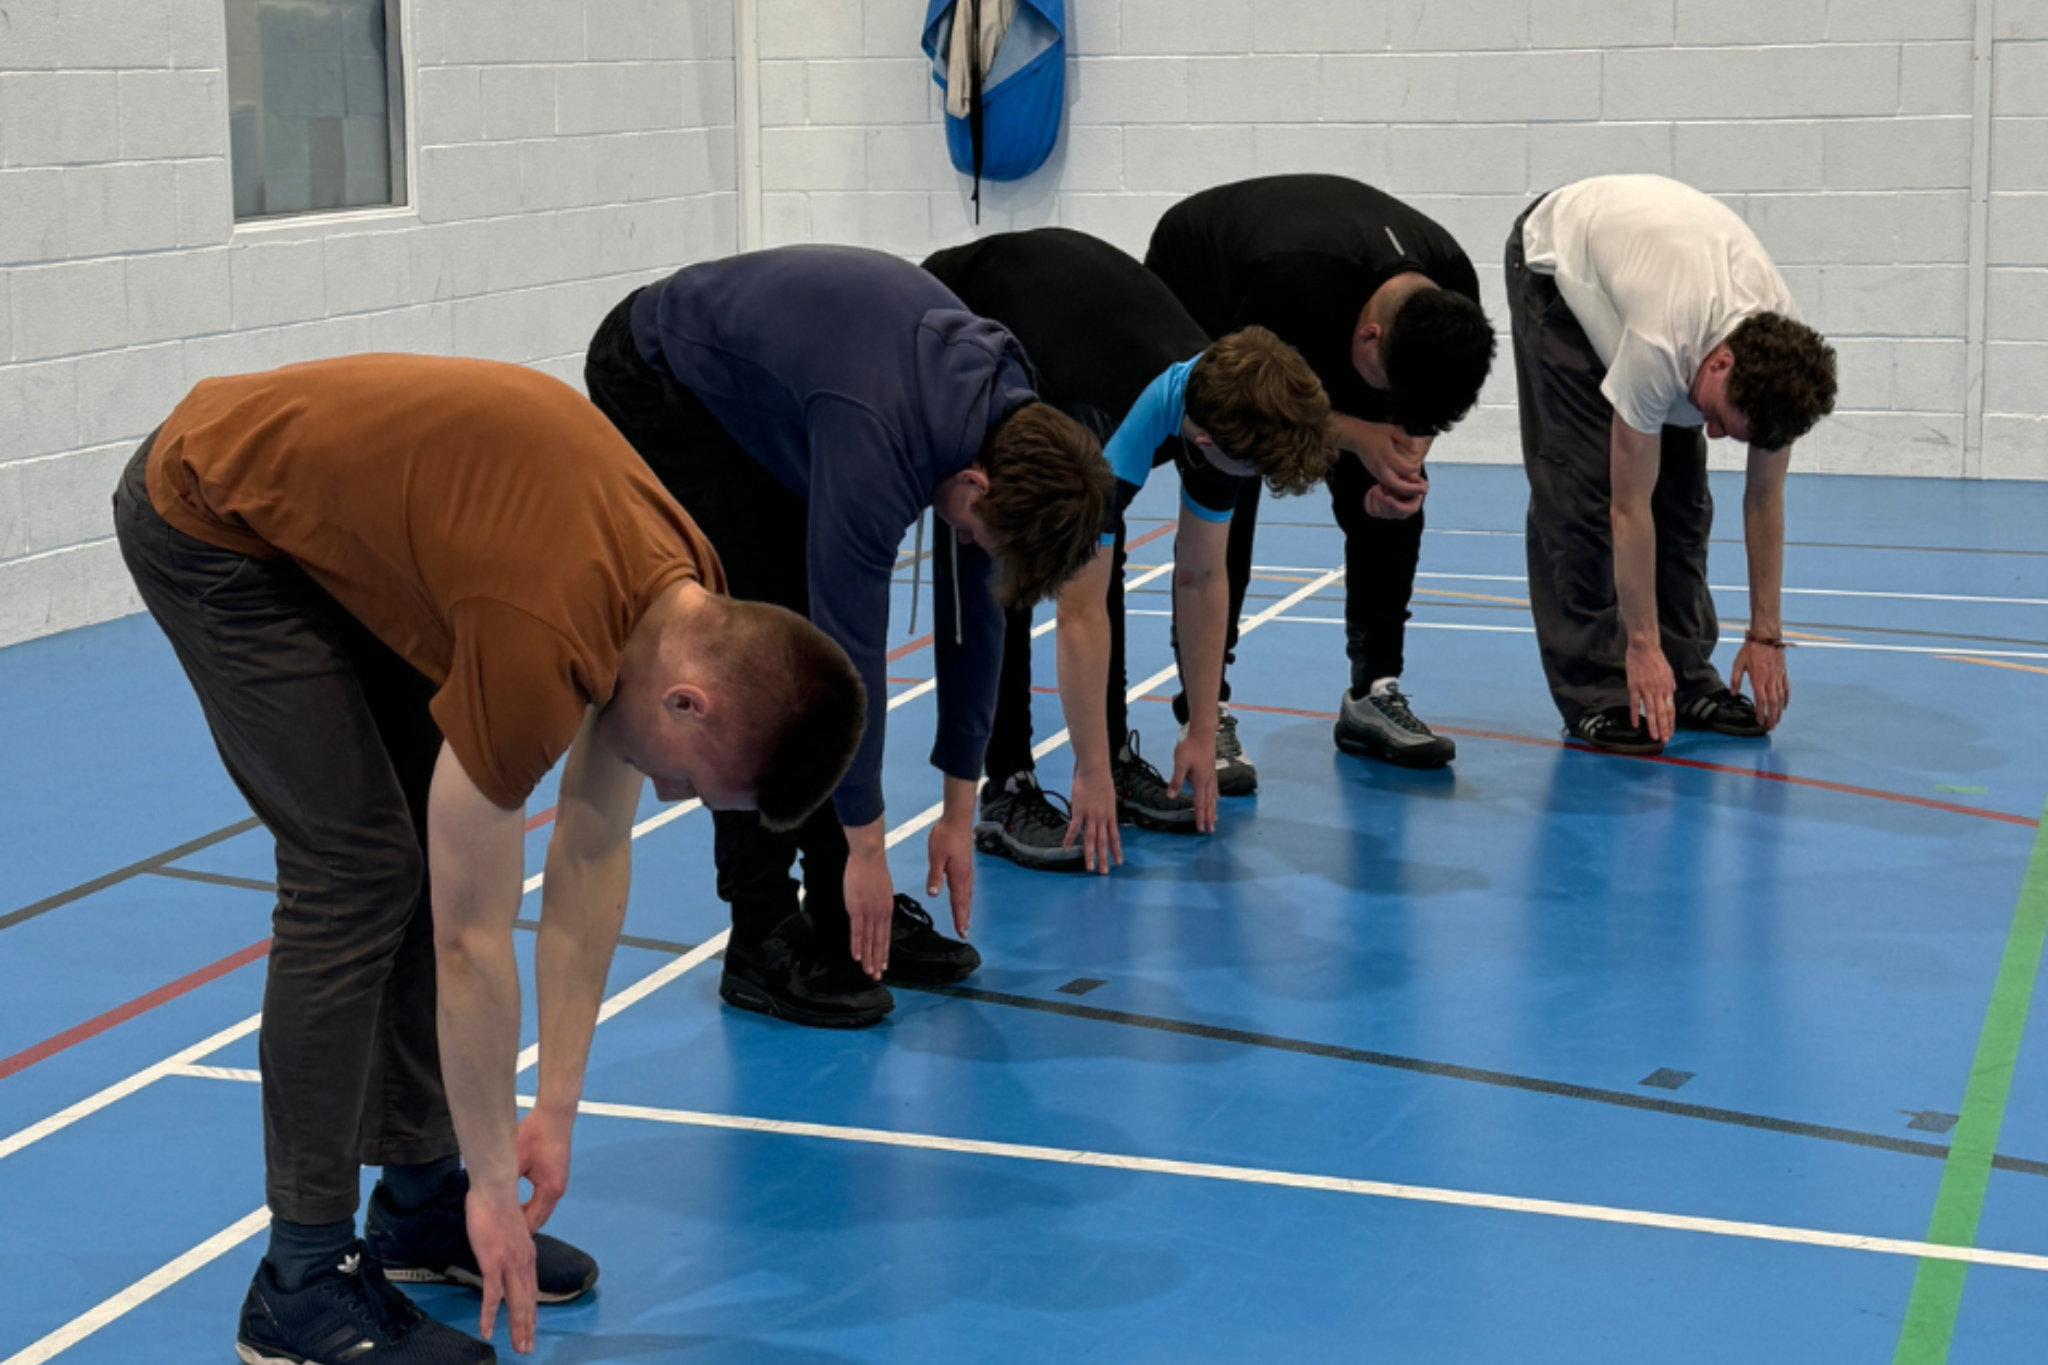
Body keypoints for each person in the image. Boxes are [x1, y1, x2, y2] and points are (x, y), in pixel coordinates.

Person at [113, 356, 863, 1365]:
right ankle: (299, 1279)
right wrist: (492, 1172)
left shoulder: (685, 607)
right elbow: (472, 941)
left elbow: (591, 856)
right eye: (692, 784)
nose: (673, 797)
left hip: (371, 531)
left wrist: (548, 1113)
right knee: (359, 872)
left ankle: (418, 1205)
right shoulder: (543, 636)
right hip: (215, 514)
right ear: (690, 702)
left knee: (433, 848)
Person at [586, 245, 1112, 1028]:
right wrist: (868, 849)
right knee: (763, 655)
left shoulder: (1005, 421)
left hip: (801, 386)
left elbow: (974, 624)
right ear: (976, 487)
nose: (971, 546)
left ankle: (845, 918)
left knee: (806, 637)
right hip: (664, 376)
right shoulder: (879, 438)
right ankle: (761, 933)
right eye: (979, 534)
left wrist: (959, 814)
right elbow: (848, 657)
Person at [923, 227, 1334, 873]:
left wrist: (1201, 727)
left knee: (1097, 547)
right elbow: (1078, 613)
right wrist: (1085, 774)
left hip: (1069, 310)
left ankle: (1114, 749)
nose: (1243, 481)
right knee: (1013, 552)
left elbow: (1201, 574)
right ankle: (1008, 786)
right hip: (968, 303)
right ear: (1202, 440)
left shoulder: (1221, 402)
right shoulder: (1108, 419)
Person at [1145, 174, 1496, 773]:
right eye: (1387, 388)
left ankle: (1373, 692)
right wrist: (1359, 434)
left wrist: (1404, 462)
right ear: (1369, 337)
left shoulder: (1452, 290)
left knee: (1396, 499)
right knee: (1230, 492)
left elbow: (1425, 407)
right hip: (1205, 294)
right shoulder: (1291, 283)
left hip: (1321, 296)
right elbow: (1252, 400)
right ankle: (1205, 713)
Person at [1506, 174, 1838, 754]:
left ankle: (1683, 676)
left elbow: (1763, 499)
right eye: (1717, 418)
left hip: (1649, 268)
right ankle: (1597, 689)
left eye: (1728, 433)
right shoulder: (1662, 341)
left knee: (1684, 500)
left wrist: (1766, 635)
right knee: (1583, 488)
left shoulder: (1783, 365)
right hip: (1558, 263)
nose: (1710, 431)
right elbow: (1627, 510)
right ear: (1720, 363)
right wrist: (1639, 643)